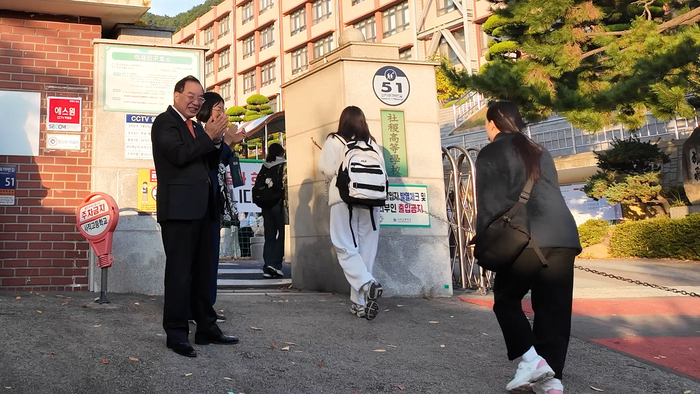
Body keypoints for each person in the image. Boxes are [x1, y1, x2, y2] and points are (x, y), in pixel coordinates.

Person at [474, 101, 581, 393]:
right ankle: (552, 381)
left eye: (486, 124)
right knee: (554, 312)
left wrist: (482, 238)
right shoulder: (539, 150)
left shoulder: (491, 152)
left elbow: (490, 203)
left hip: (527, 237)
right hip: (564, 237)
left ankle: (532, 360)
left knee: (506, 300)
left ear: (493, 124)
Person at [151, 75, 239, 358]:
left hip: (204, 210)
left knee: (204, 273)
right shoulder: (166, 123)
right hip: (179, 210)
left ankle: (206, 328)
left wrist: (218, 142)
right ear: (177, 95)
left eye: (200, 98)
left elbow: (209, 162)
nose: (195, 102)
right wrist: (208, 137)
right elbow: (178, 155)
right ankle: (176, 333)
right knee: (179, 275)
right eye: (191, 96)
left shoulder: (196, 128)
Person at [318, 106, 384, 320]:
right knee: (366, 251)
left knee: (345, 247)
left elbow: (327, 169)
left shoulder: (334, 140)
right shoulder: (372, 143)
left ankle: (367, 284)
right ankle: (360, 303)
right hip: (372, 203)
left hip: (343, 201)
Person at [196, 91, 246, 322]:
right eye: (219, 110)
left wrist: (229, 142)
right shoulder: (198, 132)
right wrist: (226, 141)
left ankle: (206, 308)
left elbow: (222, 162)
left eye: (224, 110)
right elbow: (209, 161)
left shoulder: (215, 136)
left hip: (214, 205)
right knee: (201, 261)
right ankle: (197, 309)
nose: (224, 115)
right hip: (200, 206)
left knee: (210, 259)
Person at [254, 143, 287, 278]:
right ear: (281, 153)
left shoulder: (265, 166)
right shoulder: (283, 165)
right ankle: (275, 264)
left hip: (266, 205)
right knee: (282, 234)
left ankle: (267, 265)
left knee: (270, 235)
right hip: (278, 204)